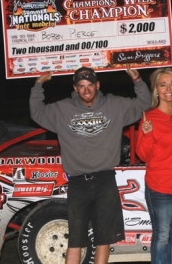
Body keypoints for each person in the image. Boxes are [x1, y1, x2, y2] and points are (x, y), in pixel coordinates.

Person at [29, 65, 151, 264]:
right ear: (75, 88)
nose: (86, 90)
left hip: (105, 179)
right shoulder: (62, 109)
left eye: (90, 85)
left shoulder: (114, 105)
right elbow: (36, 112)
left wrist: (137, 79)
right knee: (75, 240)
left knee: (104, 238)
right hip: (78, 182)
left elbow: (145, 103)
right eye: (81, 86)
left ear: (97, 85)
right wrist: (39, 84)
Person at [136, 67, 172, 264]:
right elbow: (143, 155)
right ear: (156, 90)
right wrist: (146, 134)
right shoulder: (149, 117)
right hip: (160, 188)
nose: (168, 89)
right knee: (162, 236)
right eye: (163, 85)